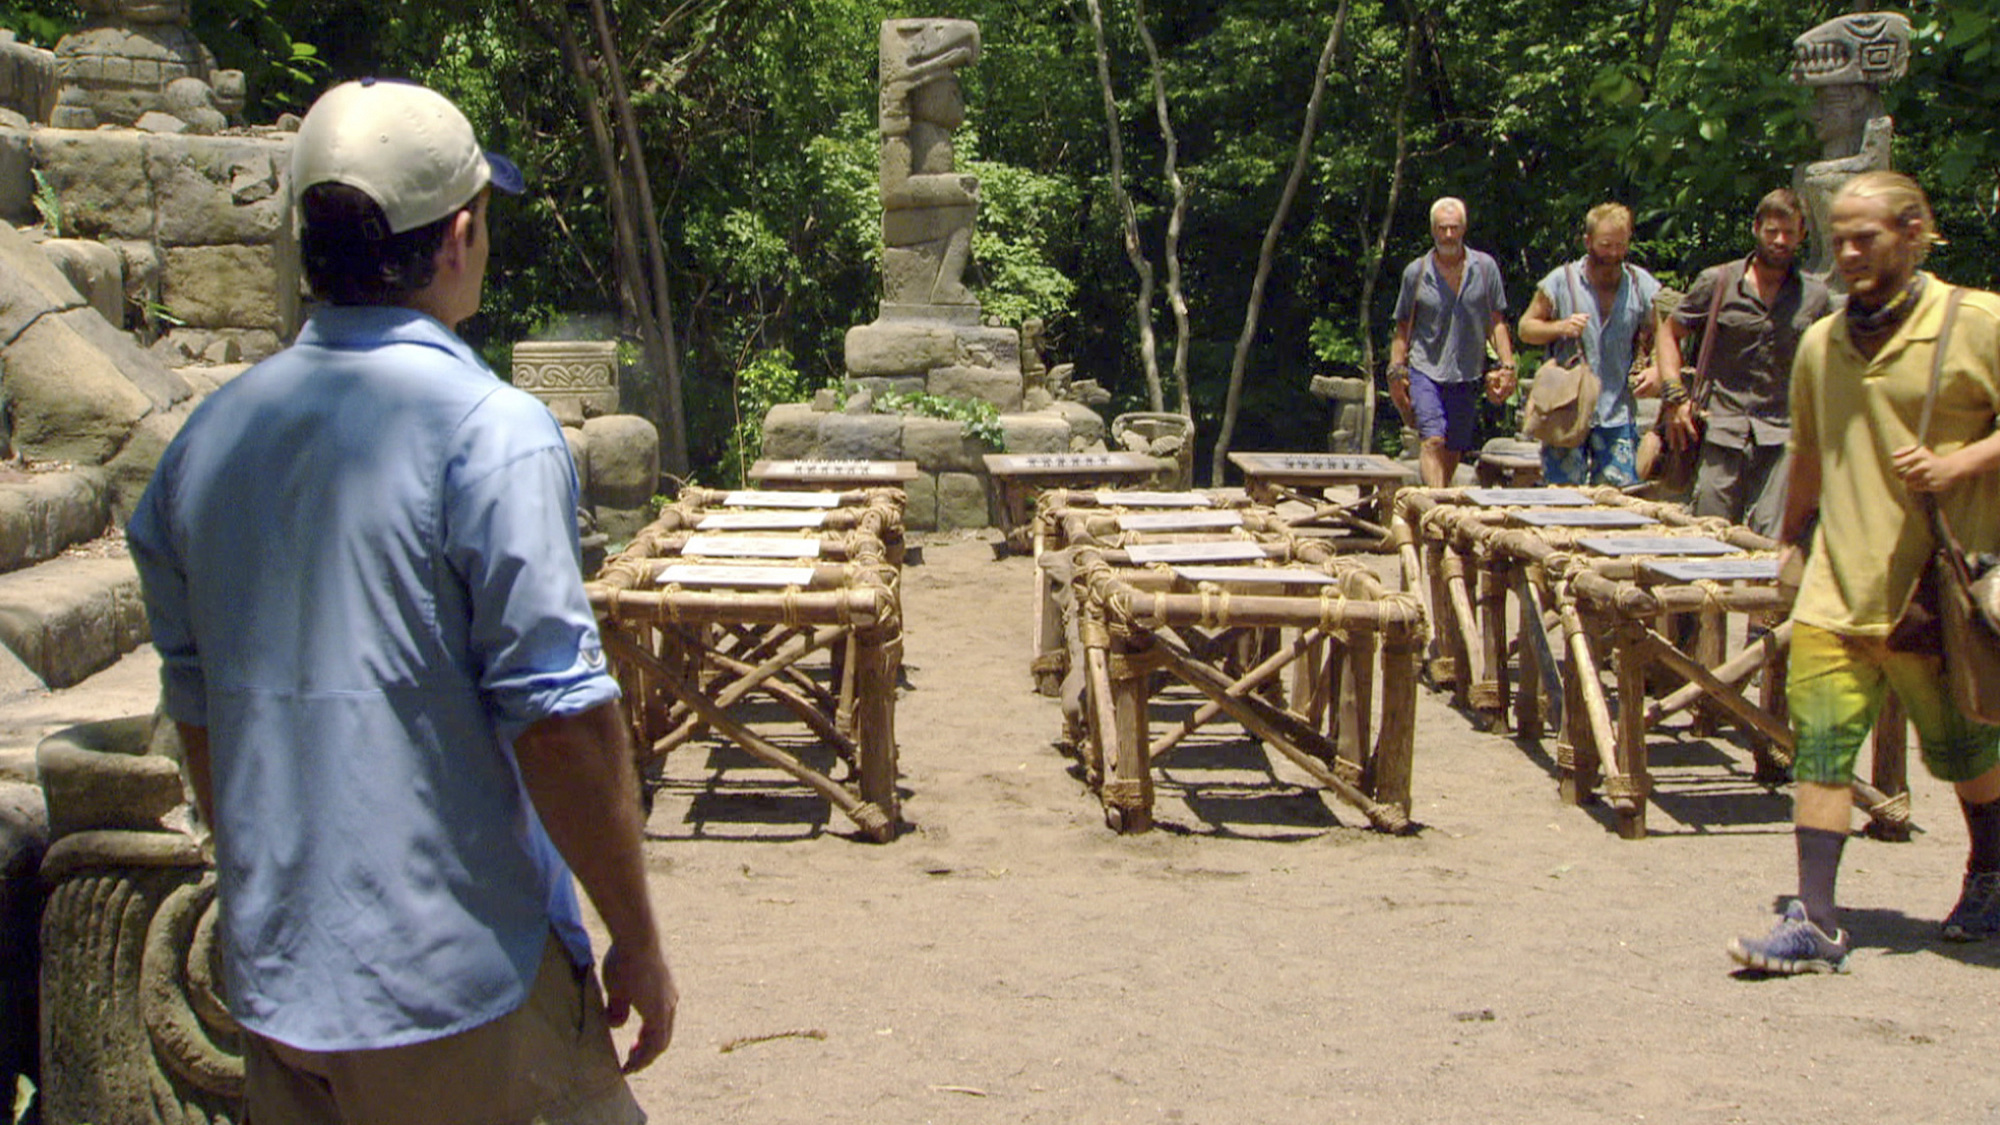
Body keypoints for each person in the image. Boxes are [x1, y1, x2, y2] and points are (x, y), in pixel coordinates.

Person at [127, 78, 677, 1119]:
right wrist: (637, 939)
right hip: (458, 987)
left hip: (283, 985)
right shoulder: (490, 431)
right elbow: (558, 719)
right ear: (461, 232)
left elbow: (198, 715)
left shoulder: (205, 445)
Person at [1728, 171, 2000, 975]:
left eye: (1865, 236)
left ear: (1916, 232)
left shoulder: (1977, 321)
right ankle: (1815, 918)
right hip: (1836, 587)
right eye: (1837, 237)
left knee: (1967, 748)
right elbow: (1808, 454)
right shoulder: (1821, 342)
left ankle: (1988, 872)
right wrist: (1787, 543)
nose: (1846, 251)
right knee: (1819, 748)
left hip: (1934, 590)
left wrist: (1964, 462)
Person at [1655, 189, 1832, 537]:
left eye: (1790, 233)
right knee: (1706, 534)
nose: (1780, 241)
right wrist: (1674, 397)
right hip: (1721, 427)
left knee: (1774, 535)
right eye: (1772, 231)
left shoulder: (1816, 297)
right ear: (1756, 229)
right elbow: (1669, 333)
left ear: (1803, 235)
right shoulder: (1718, 282)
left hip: (1784, 434)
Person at [1518, 203, 1662, 486]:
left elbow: (1665, 332)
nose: (1613, 254)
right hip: (1566, 408)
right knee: (1563, 496)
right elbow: (1525, 329)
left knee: (1618, 498)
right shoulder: (1561, 281)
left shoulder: (1639, 283)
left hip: (1617, 410)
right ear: (1588, 242)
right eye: (1606, 245)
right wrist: (1560, 327)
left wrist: (1657, 368)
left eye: (1620, 246)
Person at [1388, 197, 1517, 487]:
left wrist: (1507, 365)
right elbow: (1403, 327)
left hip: (1466, 370)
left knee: (1454, 446)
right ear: (1433, 230)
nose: (1448, 235)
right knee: (1432, 439)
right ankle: (1437, 508)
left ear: (1464, 229)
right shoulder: (1416, 273)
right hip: (1425, 368)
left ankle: (1441, 499)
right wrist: (1396, 371)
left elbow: (1496, 322)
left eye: (1454, 228)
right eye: (1442, 228)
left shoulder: (1485, 269)